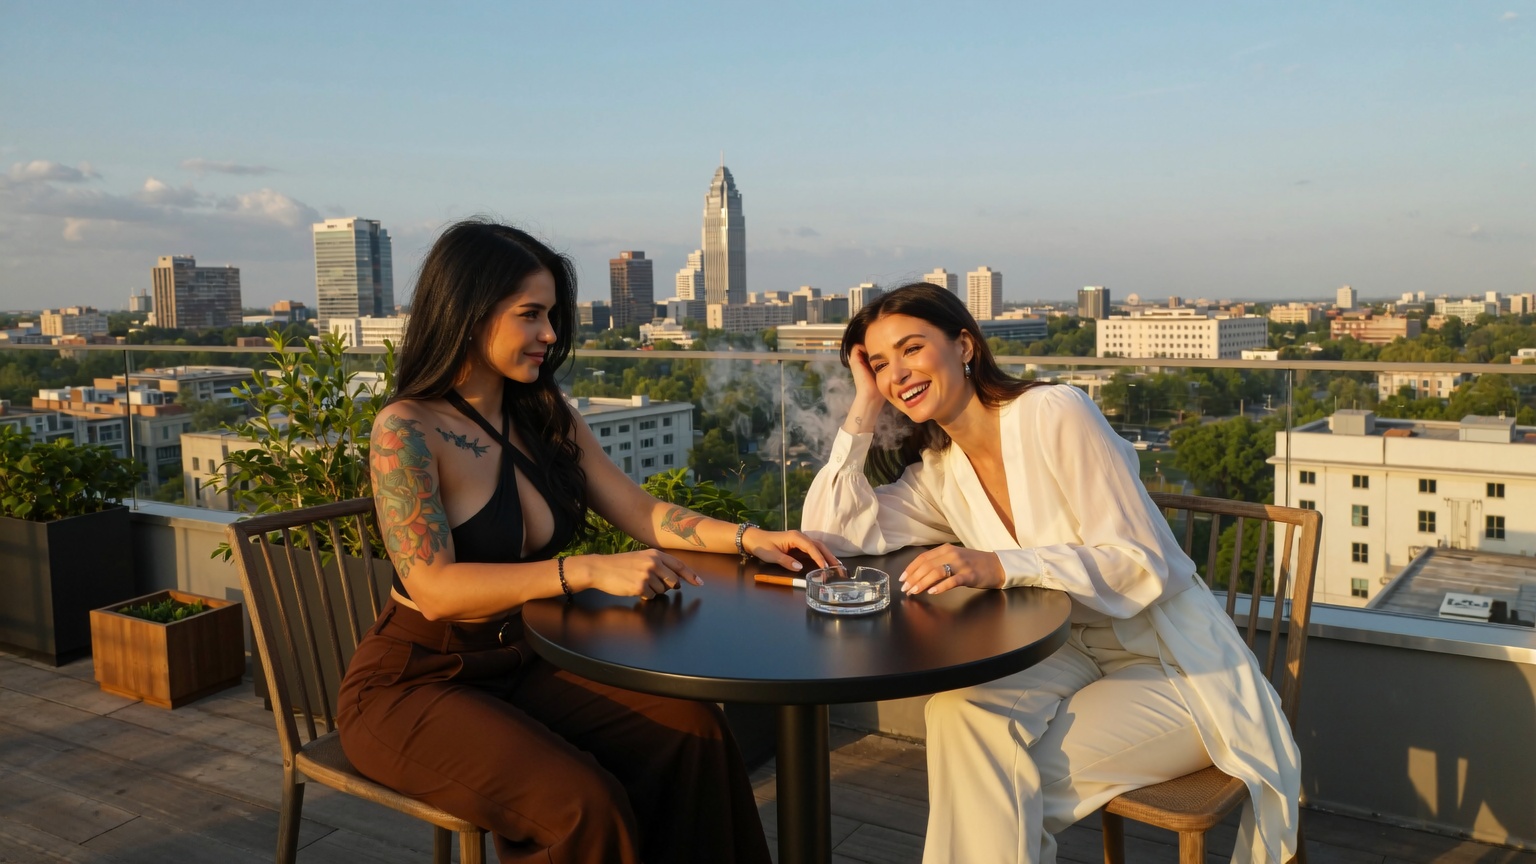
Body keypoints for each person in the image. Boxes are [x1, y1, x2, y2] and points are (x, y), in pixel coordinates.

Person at [338, 219, 835, 864]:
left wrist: (750, 538)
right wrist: (585, 570)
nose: (550, 333)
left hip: (526, 657)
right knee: (582, 806)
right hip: (417, 682)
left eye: (552, 315)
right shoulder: (407, 429)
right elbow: (434, 590)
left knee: (694, 730)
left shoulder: (545, 416)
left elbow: (639, 509)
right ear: (466, 311)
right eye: (531, 314)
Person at [800, 283, 1300, 864]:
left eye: (911, 349)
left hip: (1175, 665)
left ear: (965, 345)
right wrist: (863, 405)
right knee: (957, 711)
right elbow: (832, 534)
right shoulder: (940, 472)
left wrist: (998, 565)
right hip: (1064, 651)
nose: (897, 374)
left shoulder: (1053, 412)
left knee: (994, 790)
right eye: (880, 364)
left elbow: (1141, 561)